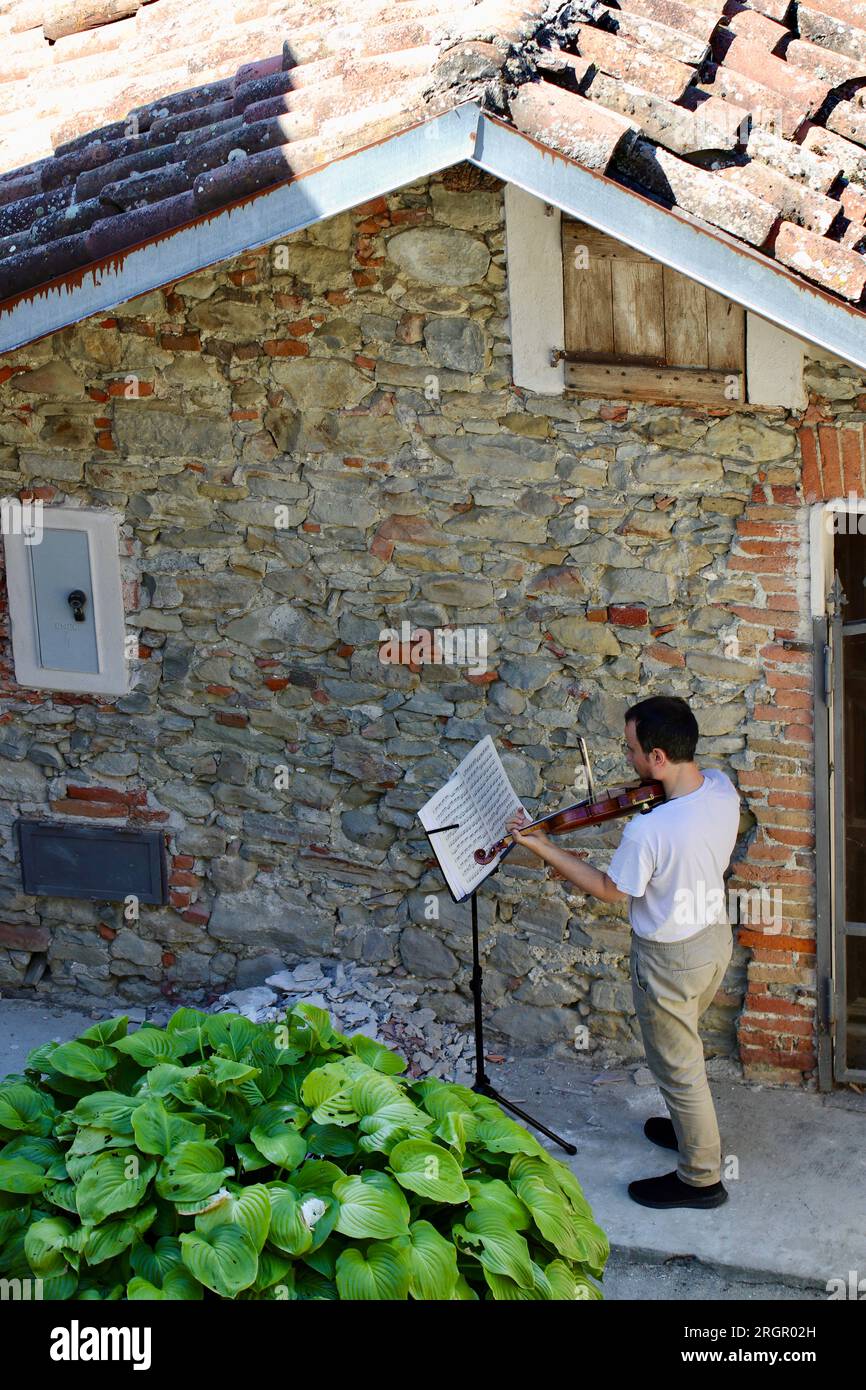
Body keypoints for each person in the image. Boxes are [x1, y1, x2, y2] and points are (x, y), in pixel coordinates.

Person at [505, 694, 741, 1211]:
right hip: (713, 941)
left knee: (679, 1068)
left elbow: (613, 890)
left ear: (659, 757)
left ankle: (701, 1178)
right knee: (685, 1052)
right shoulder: (721, 788)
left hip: (671, 959)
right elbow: (680, 823)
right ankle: (689, 1131)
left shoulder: (649, 829)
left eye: (633, 749)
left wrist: (543, 846)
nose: (627, 759)